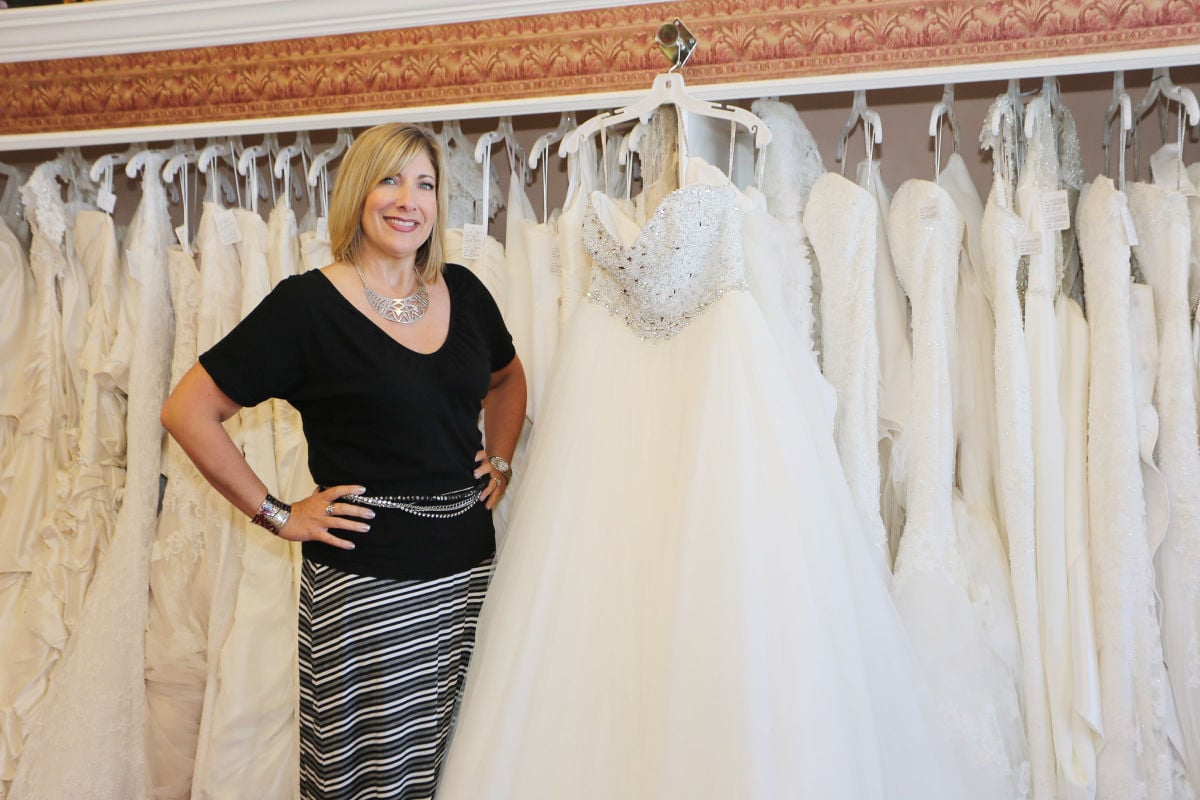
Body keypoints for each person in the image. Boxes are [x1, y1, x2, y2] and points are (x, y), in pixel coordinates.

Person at [161, 121, 526, 800]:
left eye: (425, 183)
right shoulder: (306, 307)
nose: (408, 199)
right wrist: (277, 513)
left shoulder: (467, 291)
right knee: (370, 778)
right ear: (358, 191)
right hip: (367, 586)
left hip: (470, 574)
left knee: (463, 762)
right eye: (390, 179)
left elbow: (507, 379)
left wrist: (499, 459)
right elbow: (187, 410)